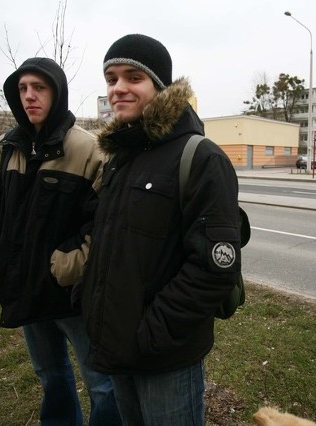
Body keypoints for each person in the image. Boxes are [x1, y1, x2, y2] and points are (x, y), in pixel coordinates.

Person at [80, 34, 243, 425]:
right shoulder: (119, 157)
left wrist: (150, 336)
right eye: (111, 77)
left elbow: (213, 267)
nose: (118, 88)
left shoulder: (201, 157)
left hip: (164, 356)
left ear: (160, 86)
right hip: (117, 343)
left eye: (132, 77)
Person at [0, 57, 120, 425]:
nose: (29, 97)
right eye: (22, 89)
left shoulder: (87, 149)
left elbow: (102, 223)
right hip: (23, 288)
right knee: (49, 375)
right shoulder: (3, 150)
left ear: (57, 92)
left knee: (102, 385)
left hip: (71, 295)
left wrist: (68, 266)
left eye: (39, 88)